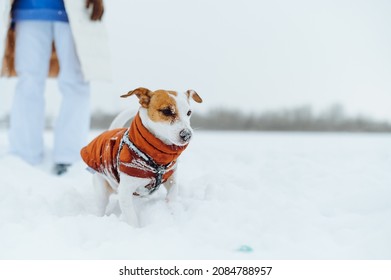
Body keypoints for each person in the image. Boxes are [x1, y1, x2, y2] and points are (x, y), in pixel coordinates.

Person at [0, 0, 111, 175]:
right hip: (28, 8)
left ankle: (70, 156)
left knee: (76, 81)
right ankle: (23, 155)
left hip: (75, 9)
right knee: (28, 83)